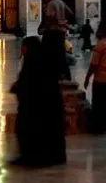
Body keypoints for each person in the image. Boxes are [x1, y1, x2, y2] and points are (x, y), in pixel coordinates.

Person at [11, 36, 66, 167]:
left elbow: (33, 86)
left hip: (36, 109)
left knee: (33, 129)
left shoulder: (34, 63)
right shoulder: (39, 62)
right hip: (41, 107)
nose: (22, 50)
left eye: (24, 47)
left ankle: (34, 157)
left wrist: (19, 88)